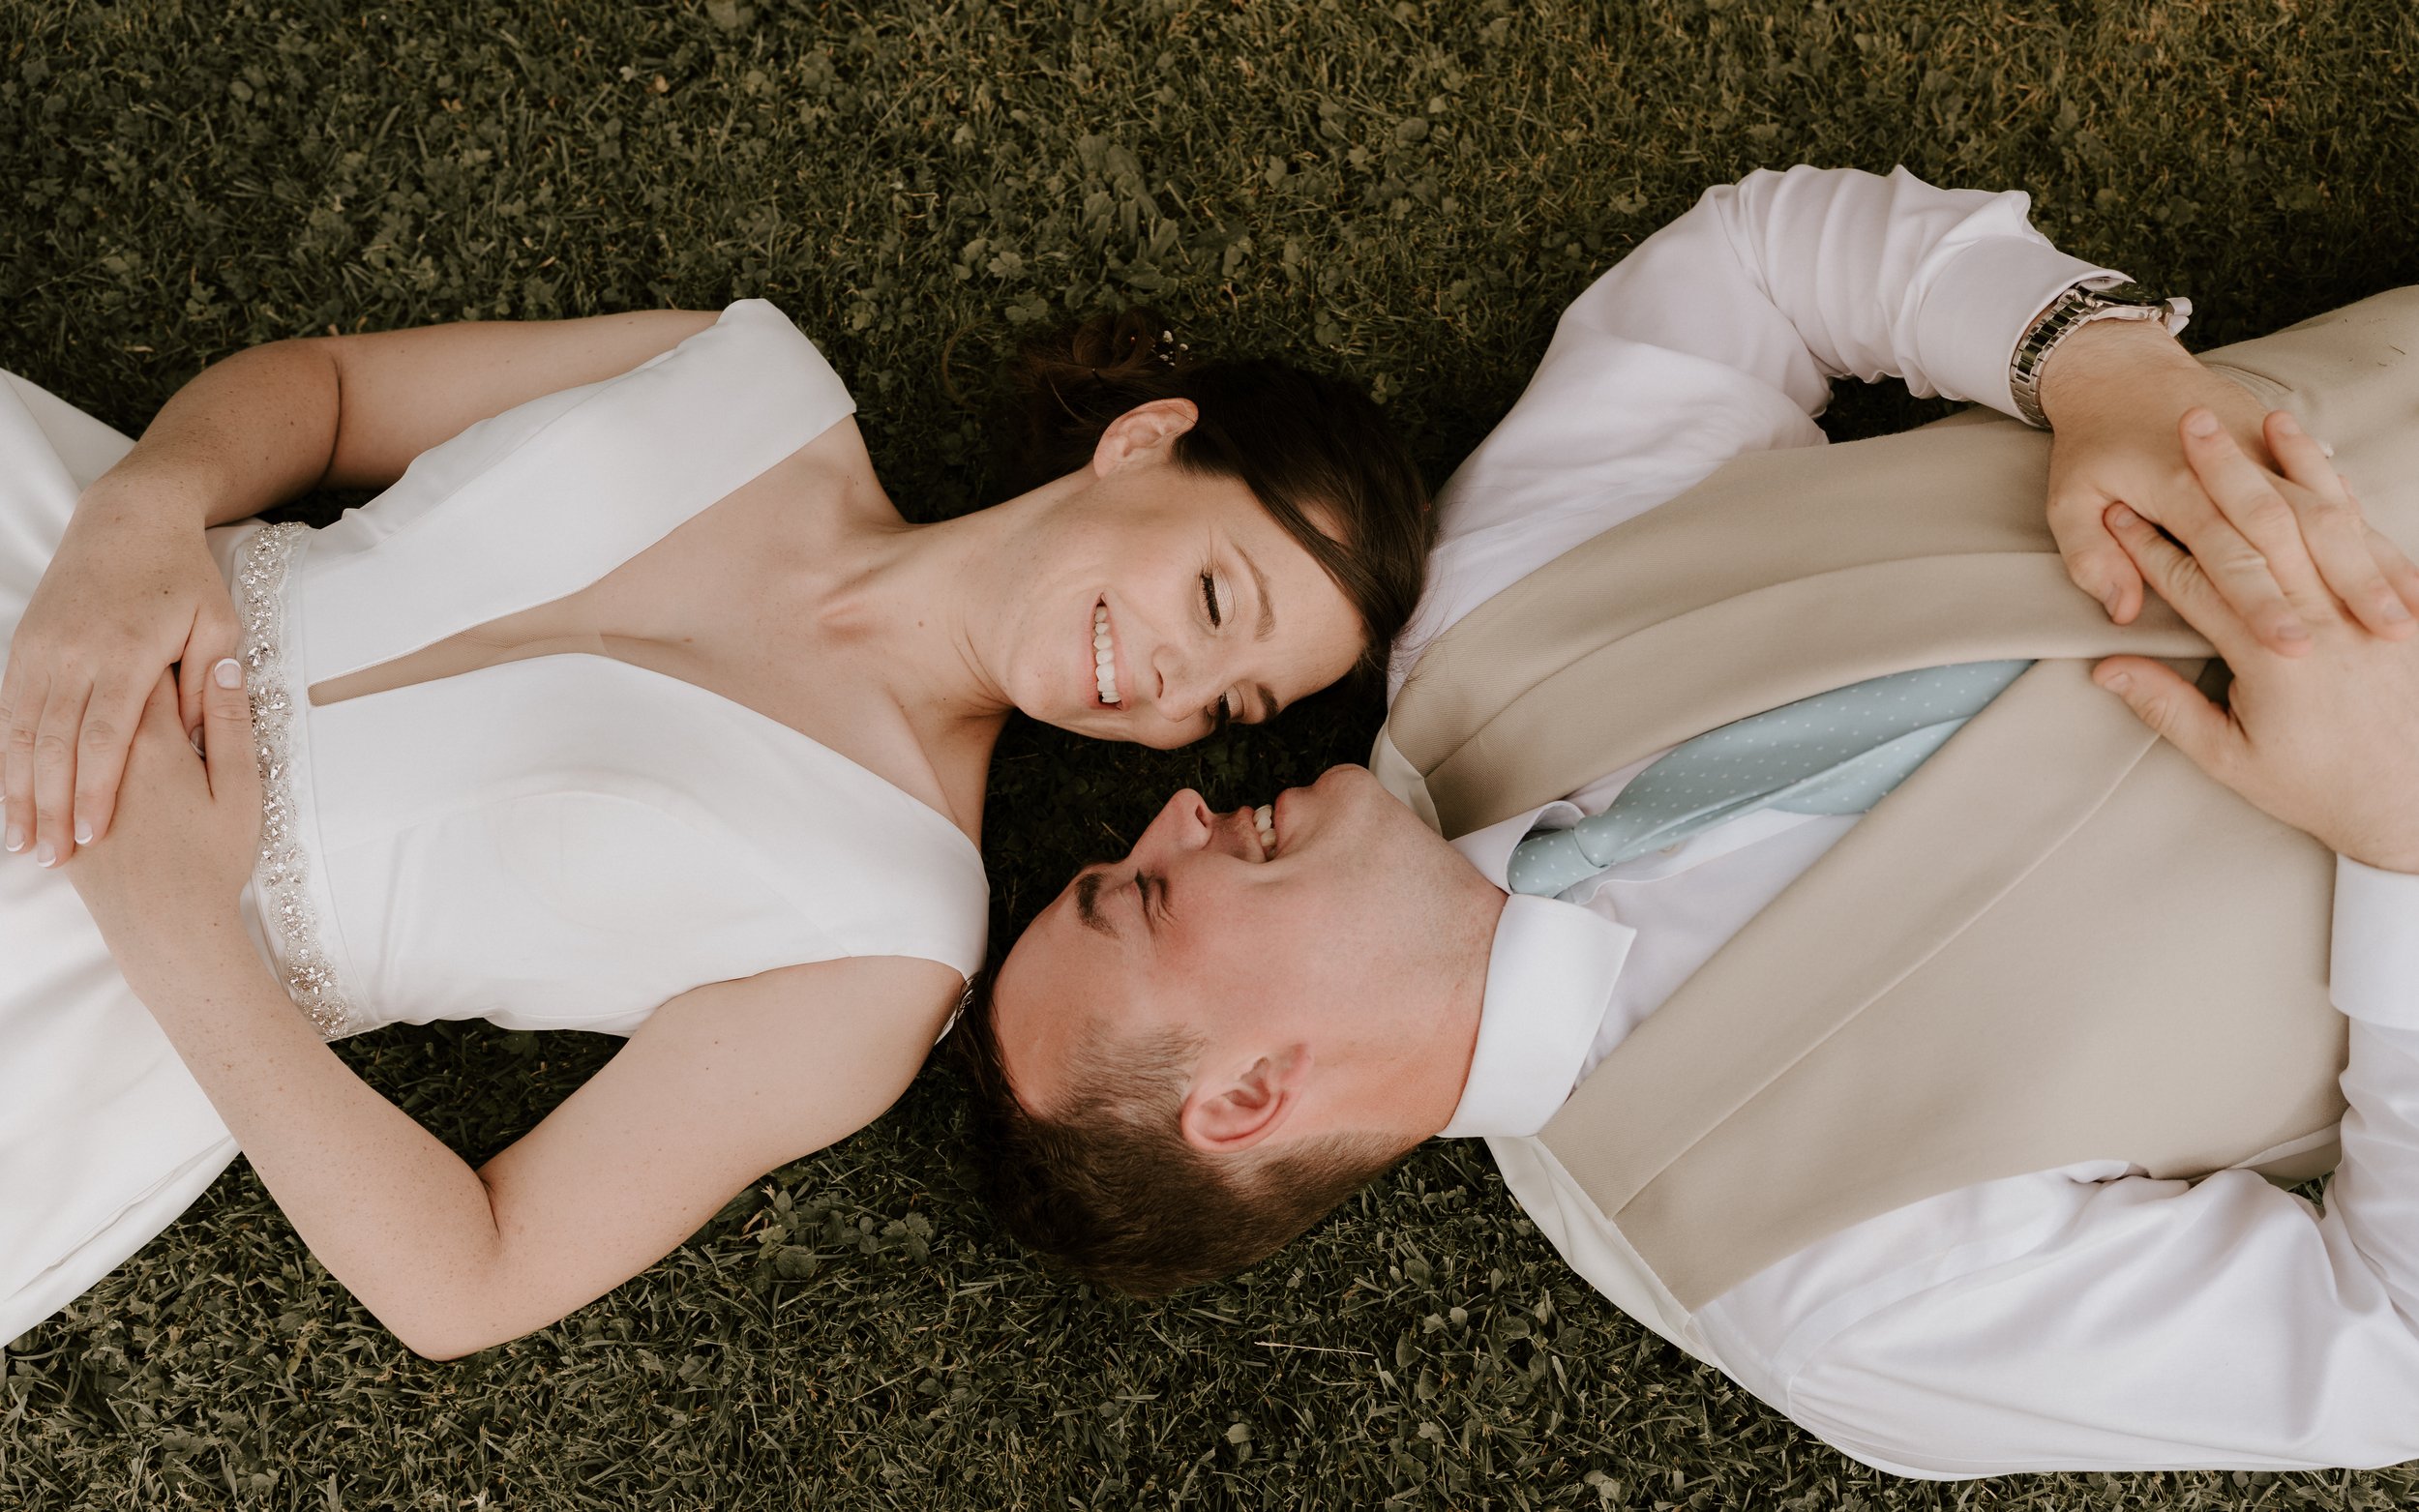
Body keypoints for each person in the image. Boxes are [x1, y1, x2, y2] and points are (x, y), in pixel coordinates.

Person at [958, 166, 2419, 1475]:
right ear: (1250, 1098)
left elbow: (1759, 262)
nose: (1173, 815)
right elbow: (2387, 1346)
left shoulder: (1490, 614)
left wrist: (2097, 369)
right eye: (1141, 897)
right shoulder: (1827, 1297)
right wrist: (2402, 840)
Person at [0, 303, 1430, 1358]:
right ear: (1145, 445)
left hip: (89, 965)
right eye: (1216, 599)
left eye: (1230, 702)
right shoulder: (757, 378)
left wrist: (178, 926)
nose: (1179, 687)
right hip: (61, 582)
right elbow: (322, 391)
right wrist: (147, 508)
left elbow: (470, 1280)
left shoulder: (886, 941)